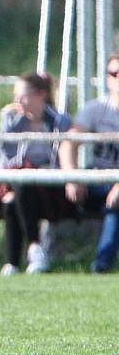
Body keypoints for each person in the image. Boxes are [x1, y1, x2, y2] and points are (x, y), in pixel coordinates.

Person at [0, 72, 75, 276]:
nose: (17, 101)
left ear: (41, 95)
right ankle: (15, 262)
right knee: (14, 195)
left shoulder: (59, 122)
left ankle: (31, 249)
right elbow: (1, 159)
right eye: (15, 96)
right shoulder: (11, 121)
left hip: (52, 189)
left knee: (23, 185)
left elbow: (62, 162)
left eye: (23, 96)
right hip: (16, 184)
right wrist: (5, 185)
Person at [59, 53, 119, 273]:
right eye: (113, 73)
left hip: (117, 186)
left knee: (115, 206)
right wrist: (73, 177)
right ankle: (37, 257)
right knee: (40, 191)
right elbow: (69, 144)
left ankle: (101, 265)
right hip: (96, 179)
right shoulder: (95, 109)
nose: (118, 78)